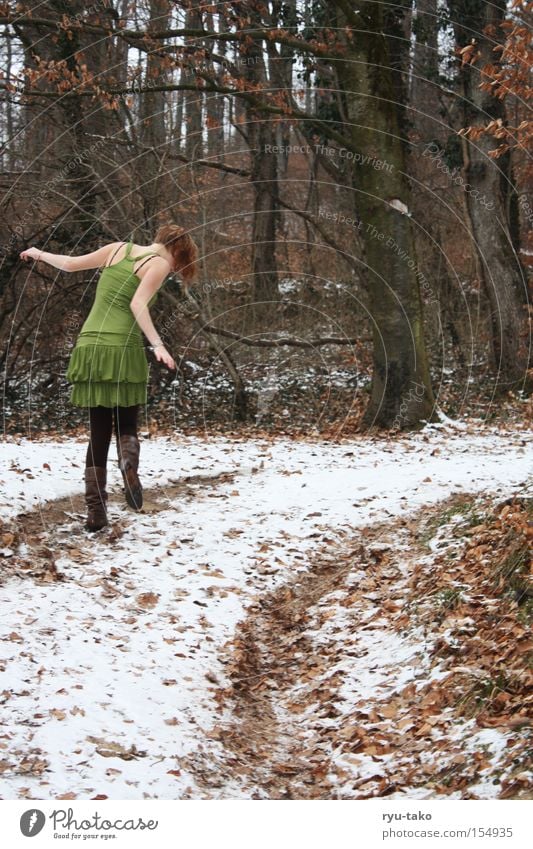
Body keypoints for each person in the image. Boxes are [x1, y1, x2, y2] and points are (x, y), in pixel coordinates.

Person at [19, 223, 199, 532]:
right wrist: (158, 344)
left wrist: (38, 253)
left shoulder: (118, 249)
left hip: (90, 346)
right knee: (126, 424)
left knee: (98, 431)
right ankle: (129, 465)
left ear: (158, 238)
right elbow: (137, 303)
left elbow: (71, 264)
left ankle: (96, 512)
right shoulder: (158, 263)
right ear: (178, 251)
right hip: (122, 347)